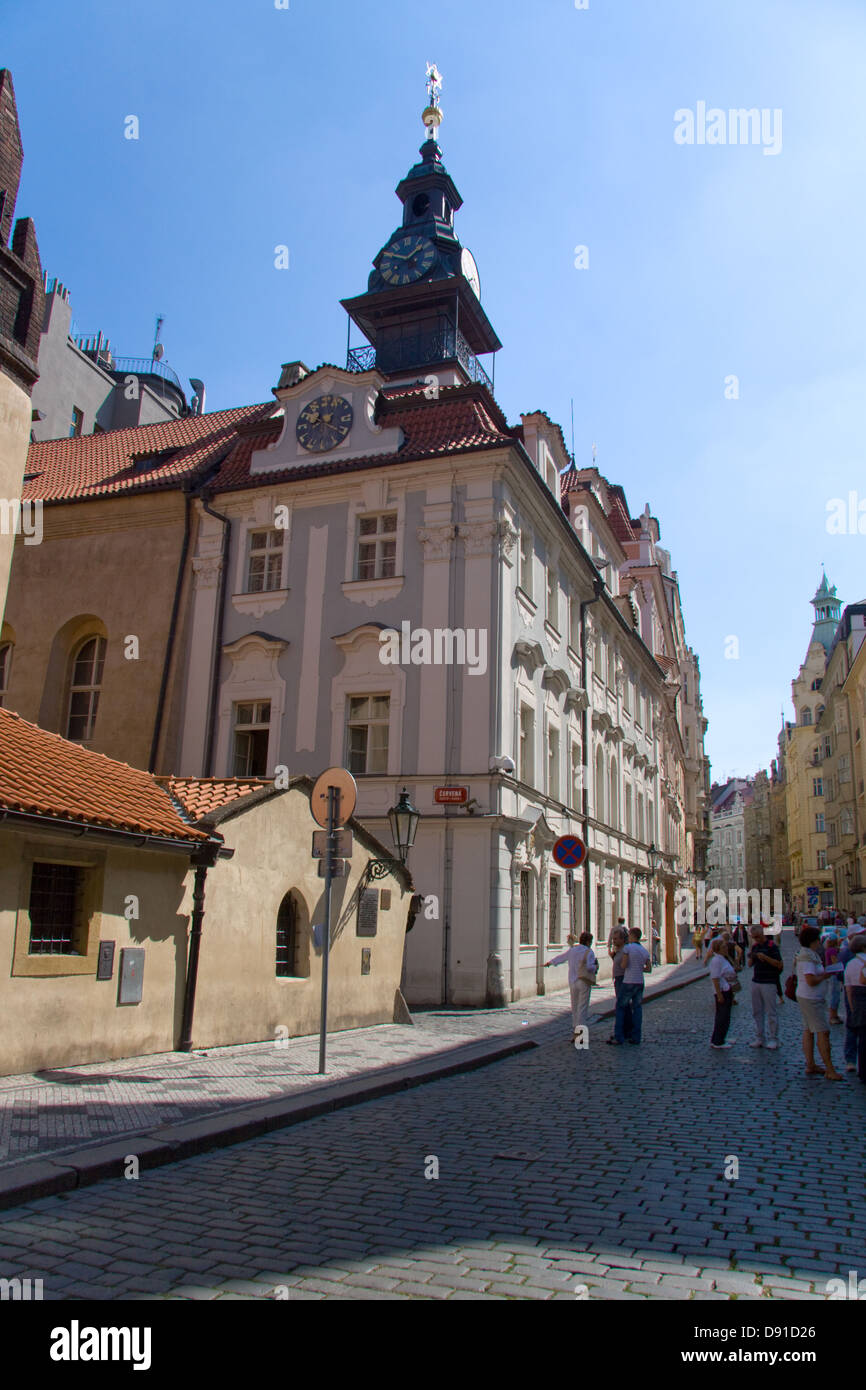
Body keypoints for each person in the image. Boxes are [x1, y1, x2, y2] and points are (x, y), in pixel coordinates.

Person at [794, 925, 842, 1080]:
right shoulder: (807, 958)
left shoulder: (808, 954)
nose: (820, 943)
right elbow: (811, 980)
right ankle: (830, 1069)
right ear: (813, 941)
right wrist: (825, 975)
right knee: (823, 1031)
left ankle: (811, 1064)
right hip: (811, 998)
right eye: (817, 940)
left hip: (807, 996)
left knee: (808, 1030)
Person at [545, 931, 598, 1041]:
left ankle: (575, 1031)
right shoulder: (589, 952)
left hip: (572, 981)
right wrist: (595, 966)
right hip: (583, 981)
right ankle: (580, 1035)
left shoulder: (573, 950)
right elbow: (589, 967)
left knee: (574, 1007)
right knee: (582, 1008)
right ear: (588, 941)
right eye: (591, 941)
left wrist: (550, 963)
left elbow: (561, 957)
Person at [609, 927, 651, 1046]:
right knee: (637, 1009)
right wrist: (639, 968)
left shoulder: (627, 948)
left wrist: (625, 964)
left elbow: (624, 965)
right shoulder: (644, 951)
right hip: (640, 982)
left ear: (632, 936)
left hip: (628, 981)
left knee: (620, 1008)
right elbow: (648, 969)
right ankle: (636, 1037)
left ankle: (619, 1037)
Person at [747, 923, 783, 1048]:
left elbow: (779, 964)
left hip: (769, 982)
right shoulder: (755, 946)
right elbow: (749, 964)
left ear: (762, 934)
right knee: (757, 1011)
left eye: (757, 936)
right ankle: (759, 1037)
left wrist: (765, 958)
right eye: (753, 937)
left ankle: (773, 1038)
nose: (755, 939)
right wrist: (753, 955)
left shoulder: (772, 946)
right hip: (756, 980)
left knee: (771, 1012)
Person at [843, 935, 866, 1084]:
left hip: (857, 1001)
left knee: (862, 1038)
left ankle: (861, 1069)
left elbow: (849, 990)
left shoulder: (851, 964)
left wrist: (851, 1008)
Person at [709, 936, 738, 1048]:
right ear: (718, 948)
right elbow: (715, 978)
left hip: (727, 990)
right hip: (723, 992)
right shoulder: (716, 960)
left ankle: (719, 1038)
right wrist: (719, 994)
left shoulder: (722, 958)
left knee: (724, 1016)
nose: (726, 948)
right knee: (722, 1017)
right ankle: (718, 1041)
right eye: (724, 946)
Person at [607, 927, 631, 1041]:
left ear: (622, 939)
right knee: (624, 1007)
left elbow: (625, 965)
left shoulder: (625, 950)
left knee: (621, 1007)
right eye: (613, 939)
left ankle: (622, 1032)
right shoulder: (618, 950)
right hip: (618, 979)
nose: (614, 941)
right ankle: (627, 1031)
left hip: (623, 980)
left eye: (616, 939)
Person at [823, 932, 843, 1024]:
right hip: (834, 975)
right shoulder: (832, 951)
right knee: (835, 996)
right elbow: (835, 962)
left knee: (835, 995)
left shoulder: (828, 949)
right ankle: (832, 1016)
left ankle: (834, 1015)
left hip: (831, 974)